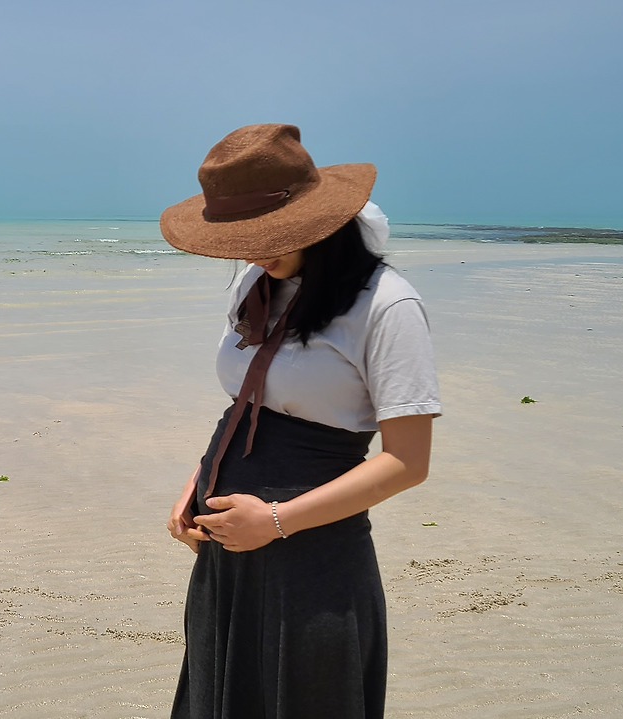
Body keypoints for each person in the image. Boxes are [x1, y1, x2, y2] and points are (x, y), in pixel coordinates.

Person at [160, 124, 441, 719]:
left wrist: (275, 521)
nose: (252, 252)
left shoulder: (387, 305)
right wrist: (197, 482)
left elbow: (407, 462)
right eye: (240, 238)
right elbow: (248, 403)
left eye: (266, 235)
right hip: (228, 546)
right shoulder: (256, 284)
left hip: (314, 551)